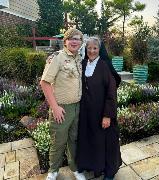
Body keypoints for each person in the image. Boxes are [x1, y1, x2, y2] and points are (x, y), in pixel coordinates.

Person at [40, 28, 86, 180]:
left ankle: (74, 168)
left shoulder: (79, 57)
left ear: (81, 42)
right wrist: (55, 107)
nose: (75, 41)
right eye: (71, 38)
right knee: (58, 141)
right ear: (65, 41)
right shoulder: (57, 58)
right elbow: (45, 83)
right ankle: (53, 171)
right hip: (61, 108)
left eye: (78, 39)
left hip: (77, 107)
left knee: (74, 140)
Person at [77, 37, 122, 180]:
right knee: (91, 140)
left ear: (99, 49)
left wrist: (108, 115)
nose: (91, 51)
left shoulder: (105, 66)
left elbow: (111, 92)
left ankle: (109, 172)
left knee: (107, 142)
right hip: (86, 113)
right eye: (89, 48)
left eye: (95, 48)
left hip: (102, 112)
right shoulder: (82, 64)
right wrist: (52, 57)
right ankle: (94, 167)